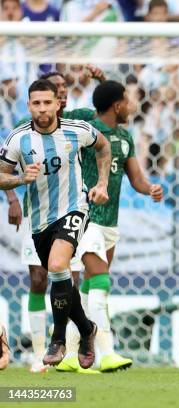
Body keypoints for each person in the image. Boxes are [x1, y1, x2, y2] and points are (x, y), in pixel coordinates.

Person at [0, 79, 111, 368]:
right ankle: (88, 331)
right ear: (29, 106)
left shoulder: (78, 130)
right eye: (36, 103)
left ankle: (58, 339)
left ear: (58, 103)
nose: (42, 108)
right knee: (58, 277)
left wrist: (101, 183)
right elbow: (1, 176)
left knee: (60, 265)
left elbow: (103, 146)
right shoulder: (17, 139)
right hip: (39, 221)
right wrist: (19, 180)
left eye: (47, 102)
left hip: (74, 208)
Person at [57, 80, 163, 373]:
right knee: (100, 278)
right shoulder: (86, 129)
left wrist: (151, 188)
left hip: (110, 225)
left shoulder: (125, 136)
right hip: (85, 218)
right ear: (117, 105)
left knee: (90, 290)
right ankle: (106, 353)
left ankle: (70, 355)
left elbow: (136, 179)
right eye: (127, 100)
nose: (131, 106)